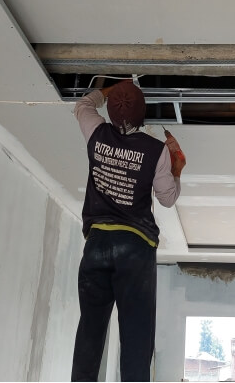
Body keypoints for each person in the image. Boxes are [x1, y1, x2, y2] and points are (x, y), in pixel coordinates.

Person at [70, 80, 186, 381]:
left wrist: (108, 91)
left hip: (96, 244)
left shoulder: (96, 132)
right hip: (134, 246)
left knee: (90, 330)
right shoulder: (156, 150)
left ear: (108, 112)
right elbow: (168, 199)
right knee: (136, 332)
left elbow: (82, 105)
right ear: (143, 114)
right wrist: (176, 168)